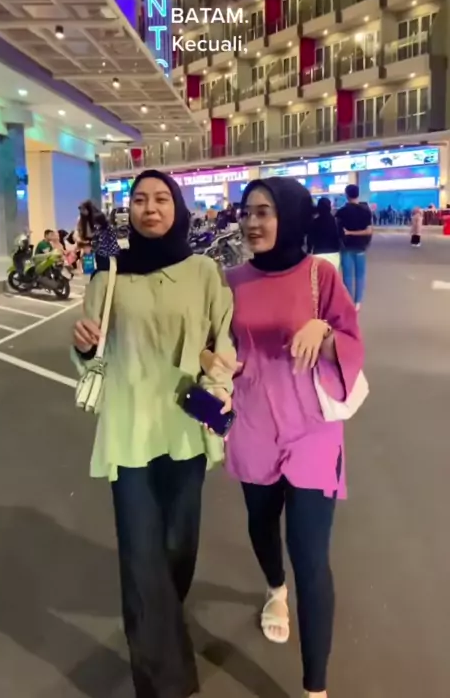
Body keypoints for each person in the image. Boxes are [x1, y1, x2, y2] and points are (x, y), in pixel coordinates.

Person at [72, 170, 236, 698]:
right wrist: (82, 346)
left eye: (162, 198)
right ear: (130, 211)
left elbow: (223, 340)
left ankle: (160, 626)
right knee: (141, 556)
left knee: (177, 549)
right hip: (129, 433)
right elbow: (91, 355)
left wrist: (219, 383)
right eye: (140, 199)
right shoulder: (109, 276)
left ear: (177, 207)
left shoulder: (204, 272)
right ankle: (162, 681)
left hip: (186, 430)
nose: (150, 208)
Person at [200, 177, 363, 698]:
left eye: (264, 212)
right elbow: (212, 348)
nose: (252, 222)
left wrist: (326, 333)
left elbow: (352, 342)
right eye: (247, 212)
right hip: (253, 426)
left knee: (310, 556)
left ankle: (316, 687)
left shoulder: (320, 275)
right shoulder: (230, 281)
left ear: (289, 216)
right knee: (261, 524)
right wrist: (213, 363)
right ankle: (275, 588)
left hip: (312, 432)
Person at [336, 185, 373, 310]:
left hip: (346, 247)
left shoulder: (341, 212)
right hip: (361, 247)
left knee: (347, 276)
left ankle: (349, 302)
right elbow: (369, 231)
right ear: (358, 194)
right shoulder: (366, 211)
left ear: (346, 195)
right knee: (360, 275)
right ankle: (358, 302)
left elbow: (338, 231)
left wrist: (349, 233)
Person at [77, 200, 119, 271]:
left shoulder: (97, 216)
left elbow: (97, 233)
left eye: (83, 209)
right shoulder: (85, 220)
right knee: (101, 264)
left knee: (105, 265)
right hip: (99, 247)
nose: (82, 212)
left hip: (105, 243)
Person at [308, 197, 341, 270]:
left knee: (319, 275)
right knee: (332, 274)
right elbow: (340, 236)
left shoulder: (314, 222)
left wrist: (309, 251)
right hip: (333, 252)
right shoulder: (336, 221)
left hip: (318, 252)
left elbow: (310, 239)